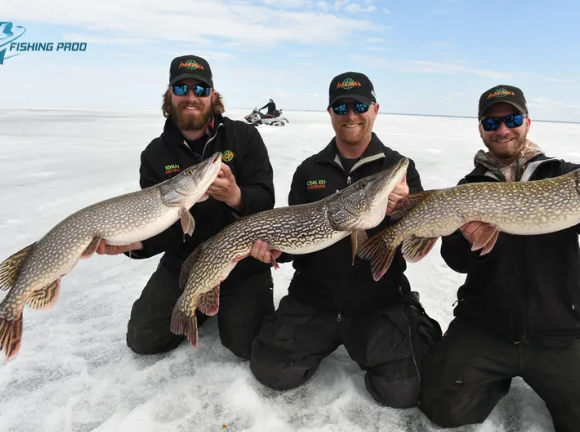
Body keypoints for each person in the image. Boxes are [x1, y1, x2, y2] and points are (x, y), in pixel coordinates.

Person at [417, 84, 580, 431]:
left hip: (560, 332)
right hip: (485, 327)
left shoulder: (565, 177)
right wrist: (469, 243)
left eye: (512, 119)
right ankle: (494, 374)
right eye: (492, 123)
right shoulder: (469, 186)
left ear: (527, 122)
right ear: (481, 130)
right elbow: (456, 260)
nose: (503, 129)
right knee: (442, 409)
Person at [246, 72, 443, 408]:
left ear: (375, 109)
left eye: (359, 105)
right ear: (330, 113)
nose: (351, 115)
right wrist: (274, 249)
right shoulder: (309, 170)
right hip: (314, 300)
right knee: (272, 371)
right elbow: (295, 243)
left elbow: (418, 240)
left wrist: (405, 209)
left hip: (377, 301)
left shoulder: (397, 169)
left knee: (405, 391)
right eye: (341, 107)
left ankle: (413, 326)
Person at [96, 54, 277, 360]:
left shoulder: (243, 137)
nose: (191, 97)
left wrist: (234, 195)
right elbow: (161, 226)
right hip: (185, 261)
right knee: (144, 339)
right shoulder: (155, 154)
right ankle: (201, 302)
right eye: (182, 89)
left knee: (247, 345)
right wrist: (133, 244)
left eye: (200, 89)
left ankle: (222, 305)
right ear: (170, 95)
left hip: (242, 260)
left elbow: (265, 199)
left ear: (213, 96)